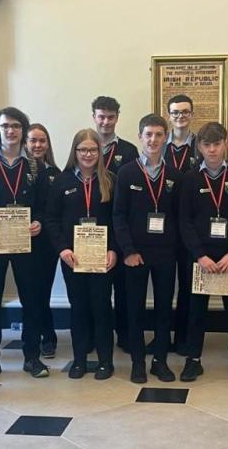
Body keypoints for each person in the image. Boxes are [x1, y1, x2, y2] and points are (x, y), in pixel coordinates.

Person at [0, 107, 50, 381]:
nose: (10, 131)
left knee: (32, 299)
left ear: (23, 130)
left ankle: (32, 357)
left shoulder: (35, 167)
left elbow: (45, 206)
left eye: (16, 126)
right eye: (5, 126)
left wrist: (39, 222)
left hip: (27, 243)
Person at [178, 122, 228, 383]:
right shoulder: (190, 179)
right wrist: (200, 255)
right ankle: (193, 360)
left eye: (217, 144)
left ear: (225, 144)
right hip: (200, 256)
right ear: (199, 147)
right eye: (207, 145)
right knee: (196, 309)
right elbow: (184, 220)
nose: (212, 150)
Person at [114, 114, 182, 383]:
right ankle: (138, 362)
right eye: (148, 134)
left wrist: (175, 248)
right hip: (135, 256)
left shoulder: (175, 175)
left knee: (165, 309)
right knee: (135, 310)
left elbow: (179, 217)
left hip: (166, 255)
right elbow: (118, 215)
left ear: (165, 137)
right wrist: (128, 251)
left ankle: (160, 361)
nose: (153, 139)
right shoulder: (127, 172)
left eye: (158, 134)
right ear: (140, 137)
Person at [45, 129, 117, 379]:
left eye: (93, 150)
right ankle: (79, 360)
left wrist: (113, 250)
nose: (88, 154)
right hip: (72, 258)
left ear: (100, 152)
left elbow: (118, 220)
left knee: (101, 307)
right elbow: (51, 219)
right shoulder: (62, 182)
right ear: (75, 152)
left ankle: (106, 361)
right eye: (83, 150)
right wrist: (63, 249)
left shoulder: (110, 180)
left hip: (102, 258)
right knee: (78, 308)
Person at [92, 96, 138, 352]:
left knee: (122, 288)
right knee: (96, 289)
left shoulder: (128, 150)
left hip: (120, 226)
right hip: (92, 227)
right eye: (101, 116)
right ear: (94, 117)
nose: (106, 121)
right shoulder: (85, 145)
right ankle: (96, 337)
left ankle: (125, 335)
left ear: (117, 117)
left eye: (110, 117)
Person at [164, 94, 201, 355]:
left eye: (185, 112)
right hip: (162, 227)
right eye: (175, 112)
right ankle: (162, 337)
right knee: (165, 286)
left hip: (191, 226)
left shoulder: (202, 145)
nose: (180, 117)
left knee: (188, 285)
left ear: (192, 114)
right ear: (169, 115)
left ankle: (185, 338)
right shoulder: (158, 145)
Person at [27, 123, 61, 358]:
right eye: (33, 140)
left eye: (42, 141)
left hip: (46, 243)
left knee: (43, 291)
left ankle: (48, 336)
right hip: (19, 239)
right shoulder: (17, 171)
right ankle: (31, 336)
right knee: (29, 291)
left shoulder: (55, 175)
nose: (37, 145)